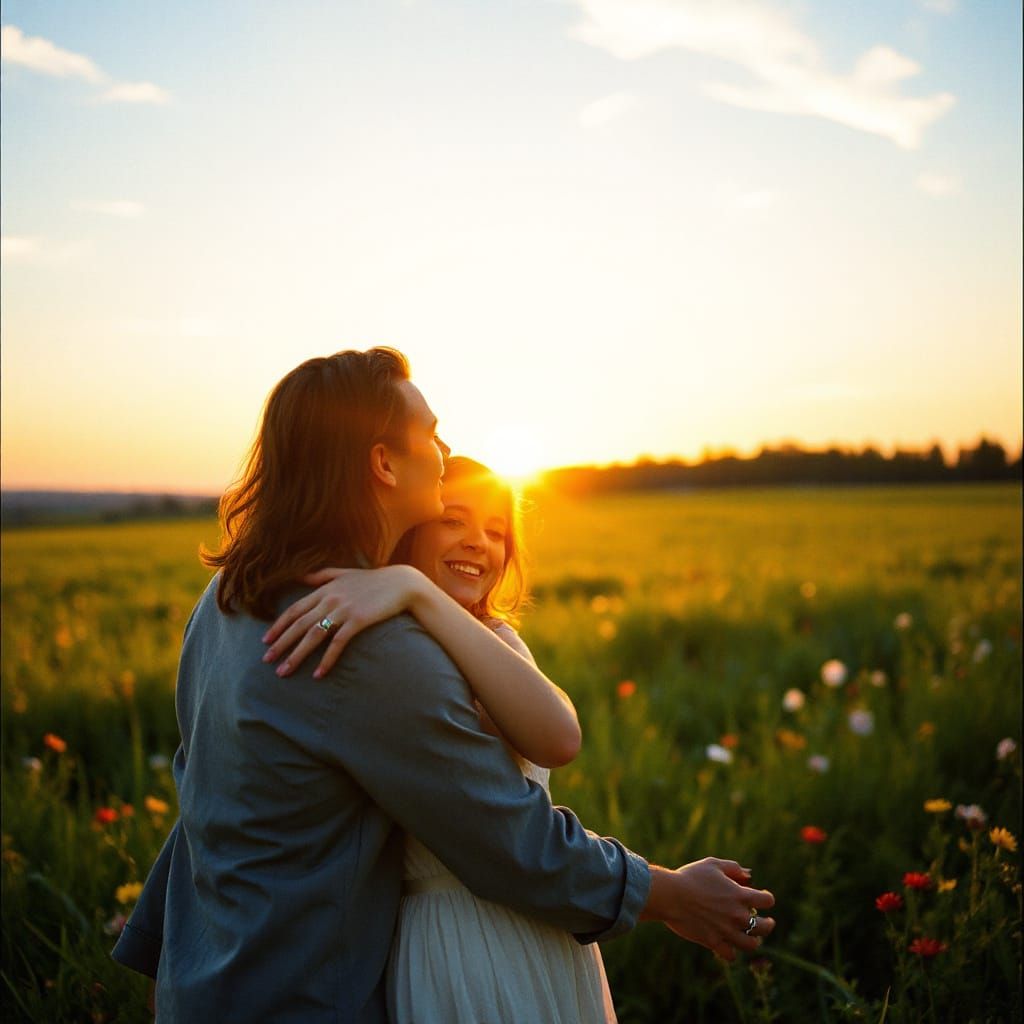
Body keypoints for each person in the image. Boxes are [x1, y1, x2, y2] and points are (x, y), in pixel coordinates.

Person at [111, 347, 775, 1023]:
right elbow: (510, 841)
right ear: (383, 463)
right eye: (430, 432)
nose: (445, 446)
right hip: (301, 999)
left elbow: (204, 803)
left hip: (204, 991)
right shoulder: (368, 647)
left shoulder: (225, 598)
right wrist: (668, 895)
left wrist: (159, 957)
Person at [263, 455, 618, 1021]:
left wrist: (416, 592)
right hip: (441, 939)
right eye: (454, 520)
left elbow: (559, 736)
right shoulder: (385, 653)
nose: (479, 541)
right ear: (413, 528)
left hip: (525, 927)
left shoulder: (494, 638)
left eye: (496, 531)